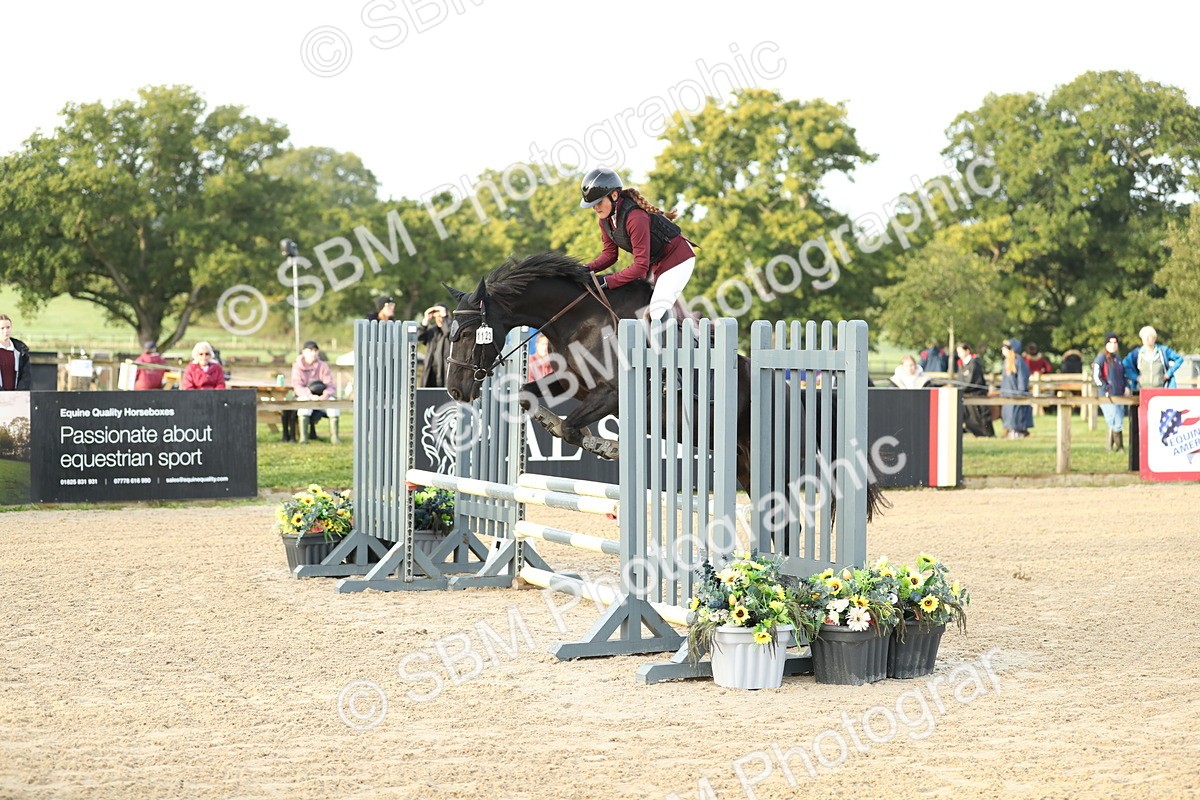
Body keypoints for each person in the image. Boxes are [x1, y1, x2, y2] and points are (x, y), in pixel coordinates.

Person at [580, 168, 695, 324]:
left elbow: (640, 265)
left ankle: (687, 335)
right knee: (633, 305)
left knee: (654, 314)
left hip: (678, 260)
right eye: (593, 205)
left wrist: (607, 281)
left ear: (614, 195)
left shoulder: (635, 217)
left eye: (599, 202)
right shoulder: (605, 220)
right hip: (655, 263)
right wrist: (586, 269)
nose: (595, 208)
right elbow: (610, 255)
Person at [292, 340, 339, 442]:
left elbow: (330, 385)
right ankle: (304, 438)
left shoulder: (323, 366)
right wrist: (310, 396)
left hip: (322, 396)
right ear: (304, 352)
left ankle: (335, 438)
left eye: (315, 350)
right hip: (305, 395)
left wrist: (325, 395)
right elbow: (297, 386)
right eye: (310, 350)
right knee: (304, 406)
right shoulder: (297, 366)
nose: (313, 353)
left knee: (333, 405)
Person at [1092, 332, 1129, 452]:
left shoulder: (1118, 359)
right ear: (1106, 344)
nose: (1113, 345)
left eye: (1115, 342)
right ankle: (1119, 447)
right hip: (1107, 396)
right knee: (1114, 420)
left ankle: (1111, 447)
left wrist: (1126, 387)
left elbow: (1123, 376)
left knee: (1117, 420)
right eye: (1110, 342)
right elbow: (1096, 377)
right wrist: (1106, 388)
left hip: (1119, 395)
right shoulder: (1101, 358)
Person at [1122, 325, 1183, 391]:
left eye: (1149, 337)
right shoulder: (1137, 353)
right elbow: (1125, 365)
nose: (1146, 339)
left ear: (1154, 338)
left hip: (1161, 389)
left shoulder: (1163, 351)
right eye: (1144, 337)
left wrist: (1168, 374)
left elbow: (1179, 359)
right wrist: (1136, 377)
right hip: (1142, 390)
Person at [956, 342, 994, 437]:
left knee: (981, 416)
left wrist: (961, 388)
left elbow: (972, 381)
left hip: (977, 393)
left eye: (961, 352)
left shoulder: (974, 363)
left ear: (967, 351)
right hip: (966, 394)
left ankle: (986, 434)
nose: (959, 354)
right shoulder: (961, 365)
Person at [1000, 338, 1033, 438]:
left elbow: (1022, 379)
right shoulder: (1006, 362)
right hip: (1007, 395)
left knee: (1017, 416)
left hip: (1017, 396)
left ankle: (1019, 432)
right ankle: (1010, 431)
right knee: (1008, 415)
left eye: (1006, 347)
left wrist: (1021, 393)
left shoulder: (1019, 362)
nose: (1003, 349)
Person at [418, 304, 450, 388]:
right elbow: (420, 337)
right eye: (436, 317)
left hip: (445, 370)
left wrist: (445, 317)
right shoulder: (432, 331)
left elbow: (448, 332)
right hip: (431, 371)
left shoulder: (451, 329)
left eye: (441, 316)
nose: (439, 319)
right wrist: (426, 319)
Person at [0, 314, 31, 391]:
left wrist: (18, 393)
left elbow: (26, 376)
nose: (6, 331)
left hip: (16, 395)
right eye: (2, 328)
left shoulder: (21, 350)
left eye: (8, 327)